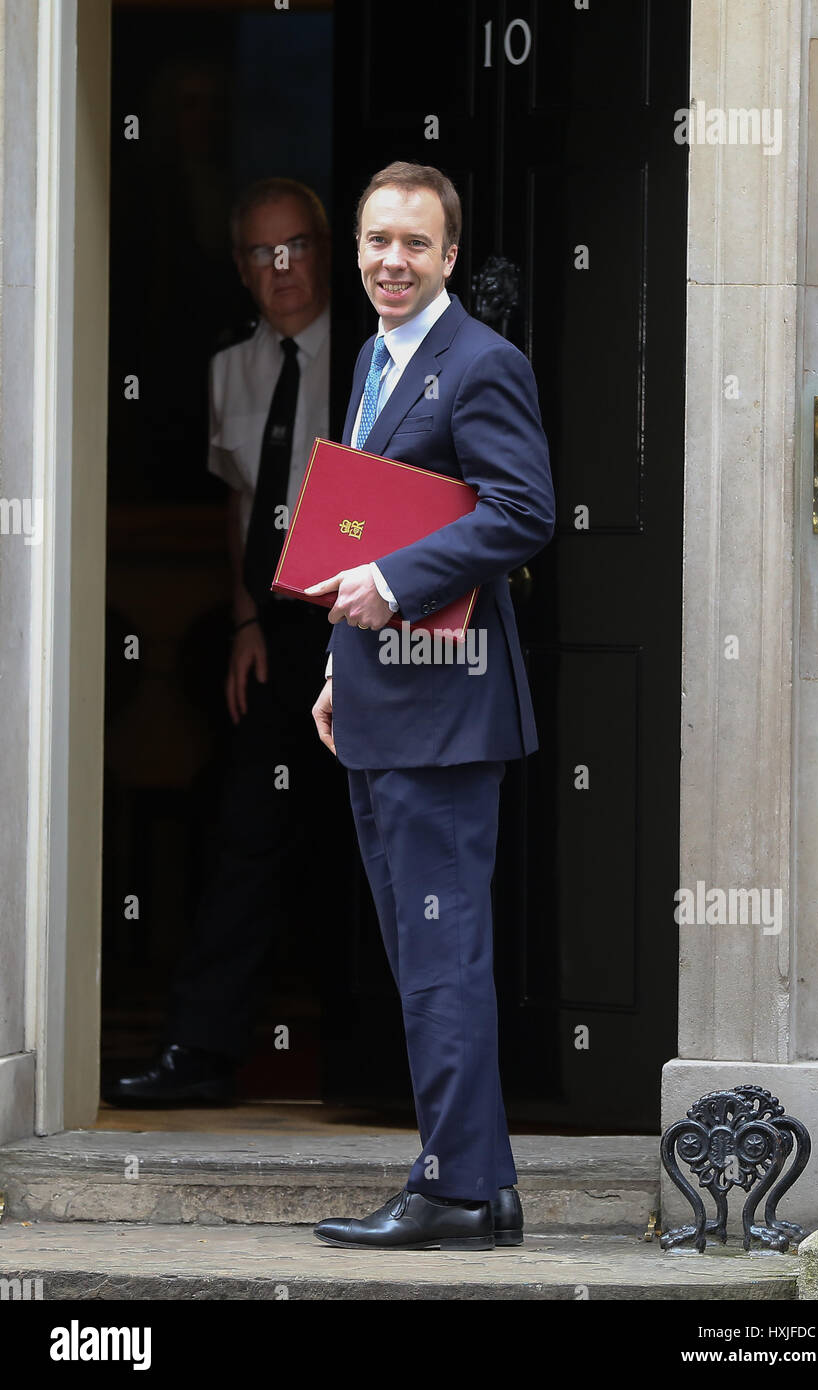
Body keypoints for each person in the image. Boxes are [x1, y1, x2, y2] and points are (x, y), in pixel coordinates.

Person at [306, 161, 555, 1250]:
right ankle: (482, 1184)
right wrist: (331, 663)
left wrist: (397, 582)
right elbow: (357, 525)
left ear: (449, 256)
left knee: (439, 956)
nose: (389, 262)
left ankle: (451, 1188)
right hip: (376, 695)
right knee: (422, 957)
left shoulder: (481, 363)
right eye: (374, 242)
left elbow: (522, 510)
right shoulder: (369, 355)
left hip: (447, 712)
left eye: (413, 244)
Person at [103, 178, 336, 1106]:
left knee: (367, 841)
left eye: (296, 246)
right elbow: (241, 500)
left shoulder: (373, 359)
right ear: (241, 269)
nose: (282, 268)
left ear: (326, 249)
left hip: (367, 623)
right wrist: (243, 619)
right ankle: (199, 1053)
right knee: (246, 833)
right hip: (275, 632)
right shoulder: (229, 371)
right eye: (260, 252)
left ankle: (390, 1064)